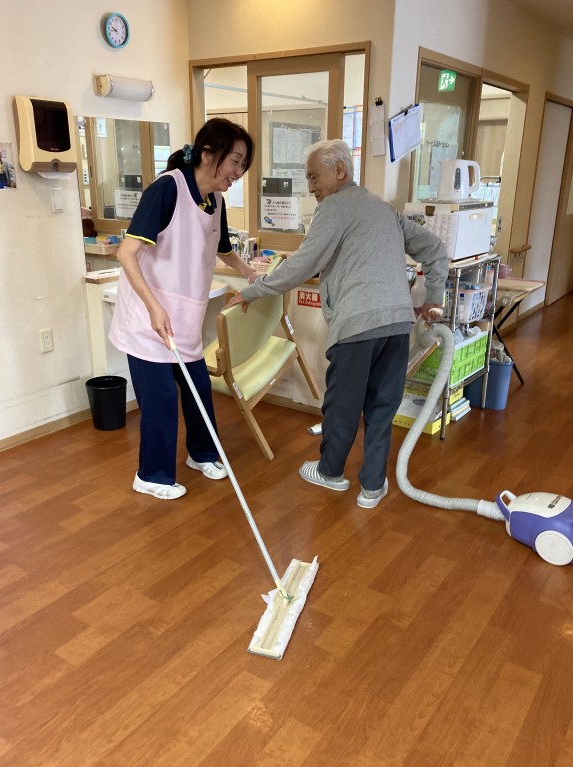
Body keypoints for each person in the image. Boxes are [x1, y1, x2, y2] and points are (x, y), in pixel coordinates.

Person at [226, 139, 448, 509]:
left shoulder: (332, 208)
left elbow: (303, 264)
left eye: (314, 177)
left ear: (340, 171)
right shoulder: (383, 208)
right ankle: (372, 487)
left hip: (358, 325)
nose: (311, 187)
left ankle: (330, 473)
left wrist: (254, 290)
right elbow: (436, 250)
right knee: (382, 406)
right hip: (397, 323)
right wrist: (433, 300)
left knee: (343, 404)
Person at [109, 118, 257, 500]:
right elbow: (126, 253)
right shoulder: (167, 189)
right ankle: (152, 476)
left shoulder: (215, 201)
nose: (238, 172)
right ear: (208, 154)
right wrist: (153, 308)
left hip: (184, 320)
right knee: (161, 397)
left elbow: (222, 249)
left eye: (243, 164)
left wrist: (248, 272)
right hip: (148, 320)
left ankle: (201, 454)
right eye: (235, 161)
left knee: (198, 389)